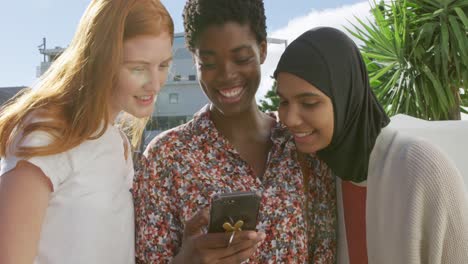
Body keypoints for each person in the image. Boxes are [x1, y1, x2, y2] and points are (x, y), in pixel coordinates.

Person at [133, 0, 337, 263]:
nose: (227, 75)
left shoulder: (301, 143)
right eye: (208, 63)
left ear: (262, 50)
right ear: (194, 59)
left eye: (241, 58)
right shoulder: (165, 157)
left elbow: (325, 252)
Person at [274, 27, 468, 264]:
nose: (290, 118)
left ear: (347, 97)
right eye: (283, 101)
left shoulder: (422, 168)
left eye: (309, 102)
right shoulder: (321, 172)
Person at [0, 0, 174, 263]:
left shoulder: (119, 144)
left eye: (162, 66)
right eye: (137, 68)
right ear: (100, 59)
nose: (154, 83)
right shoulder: (45, 133)